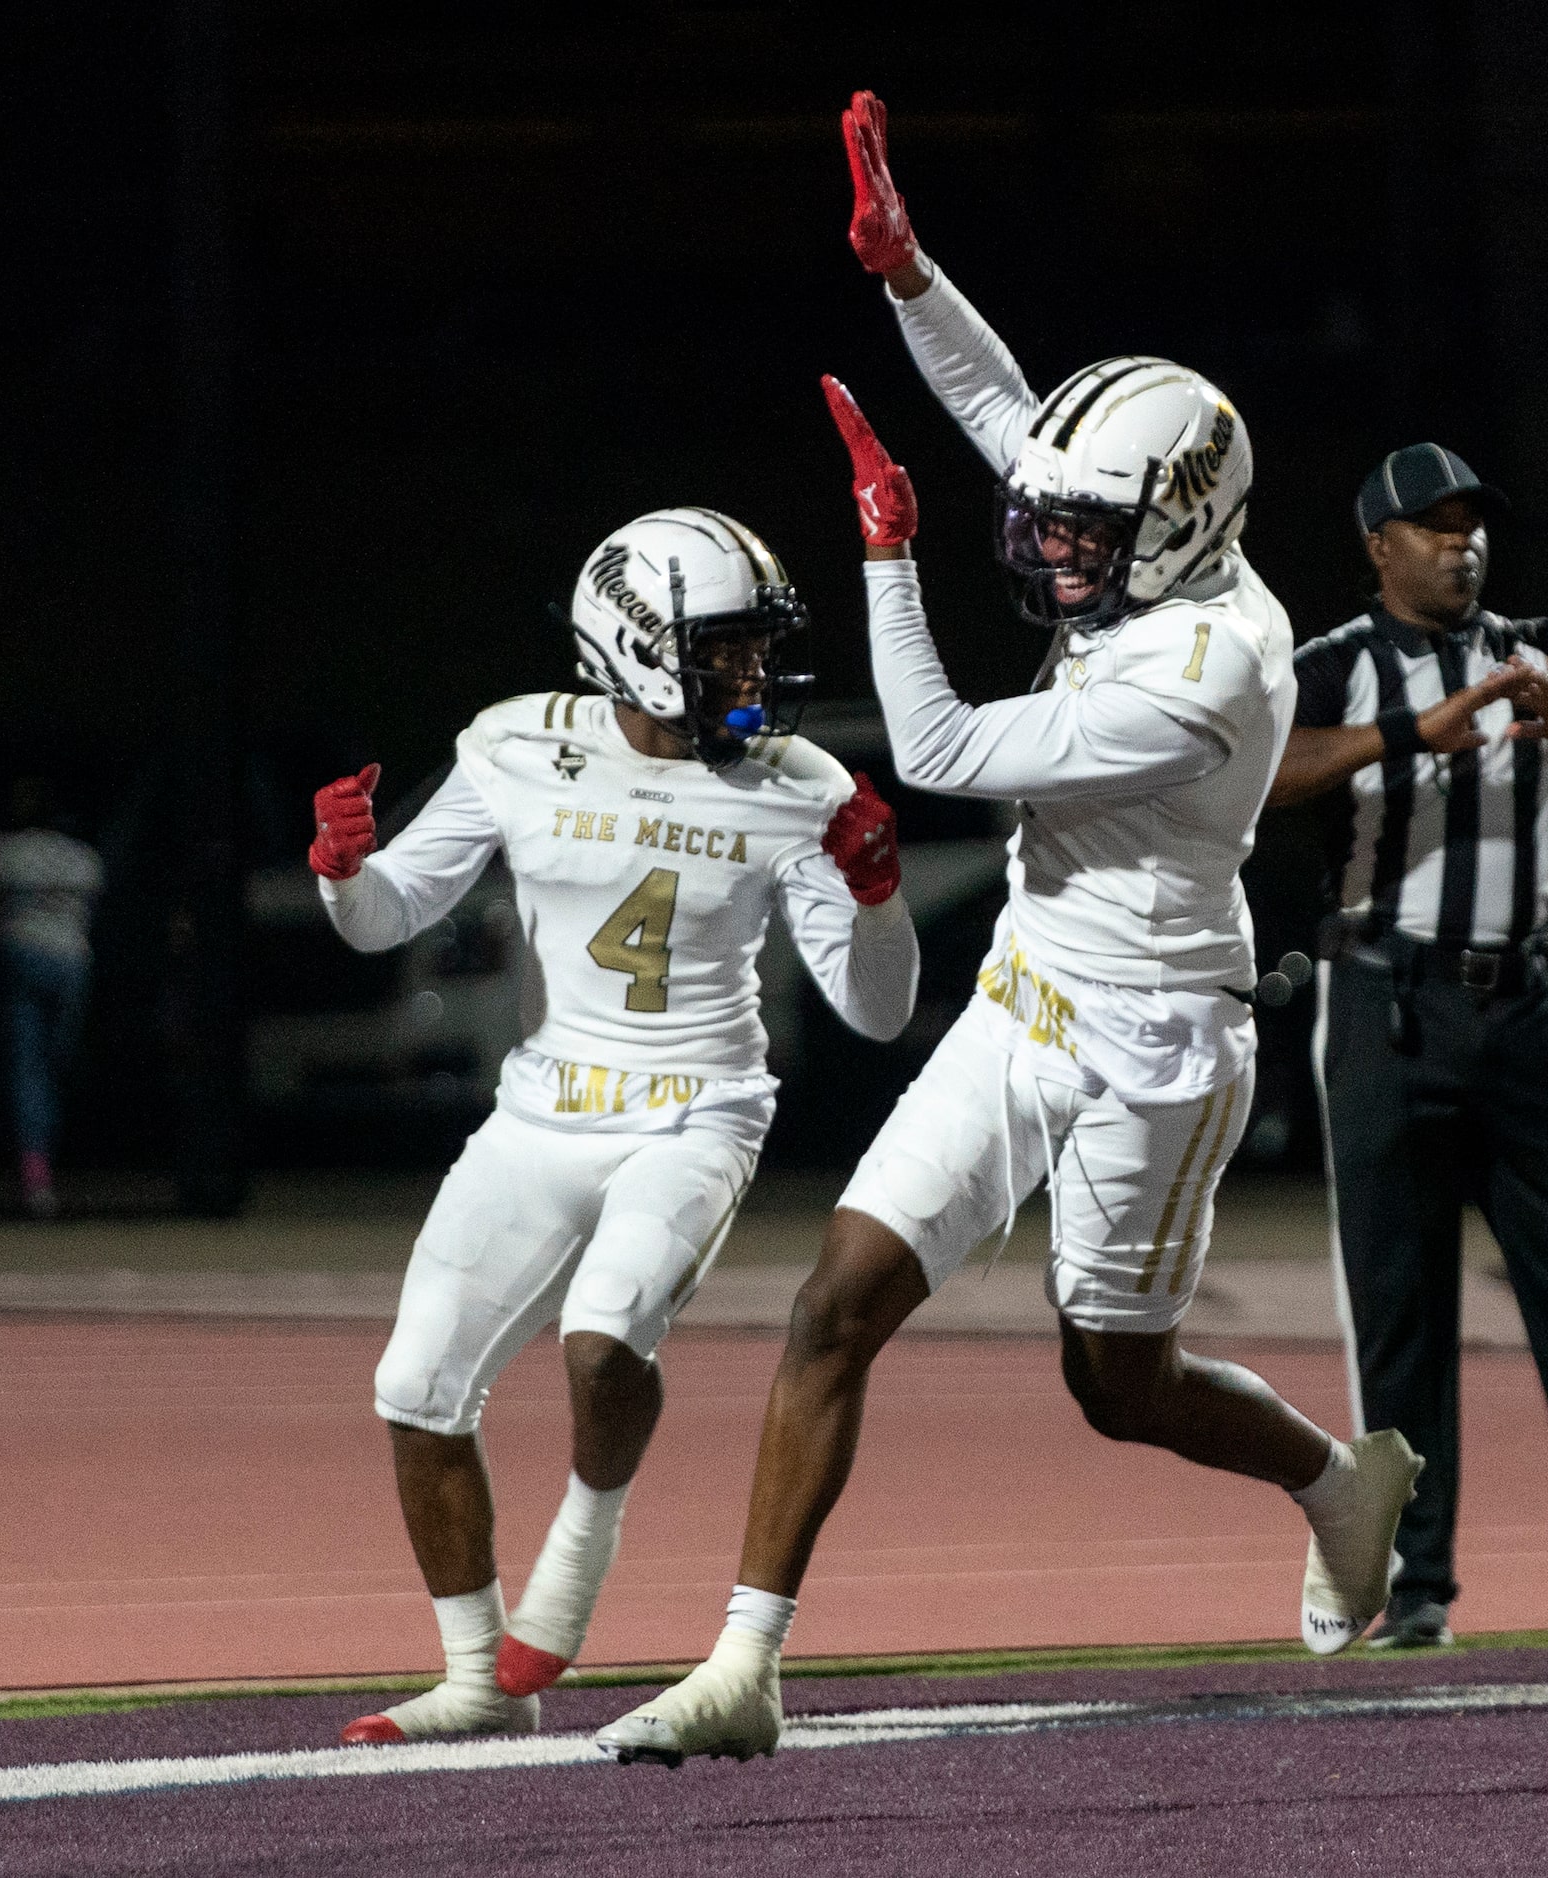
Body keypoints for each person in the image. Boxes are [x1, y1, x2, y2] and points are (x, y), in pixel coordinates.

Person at [592, 92, 1419, 1768]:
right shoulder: (1150, 543)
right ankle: (744, 1662)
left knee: (1117, 1382)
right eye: (1049, 526)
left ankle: (1345, 1478)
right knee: (834, 1299)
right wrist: (903, 271)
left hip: (1160, 1039)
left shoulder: (1208, 675)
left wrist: (887, 559)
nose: (1046, 550)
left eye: (1081, 536)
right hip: (1030, 992)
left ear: (1177, 528)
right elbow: (1007, 416)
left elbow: (956, 752)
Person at [312, 506, 922, 1743]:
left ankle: (581, 1555)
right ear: (637, 644)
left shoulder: (795, 784)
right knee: (414, 1388)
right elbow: (389, 917)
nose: (752, 675)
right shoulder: (515, 743)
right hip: (541, 1110)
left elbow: (875, 1008)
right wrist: (341, 873)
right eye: (729, 649)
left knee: (601, 1339)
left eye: (759, 648)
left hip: (695, 1113)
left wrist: (874, 895)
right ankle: (478, 1683)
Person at [1263, 444, 1548, 1648]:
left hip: (1525, 1008)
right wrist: (1414, 736)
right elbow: (1252, 774)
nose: (1460, 543)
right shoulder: (1329, 668)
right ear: (1376, 546)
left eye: (1472, 523)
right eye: (1430, 525)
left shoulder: (1540, 650)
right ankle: (1414, 1588)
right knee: (1396, 1304)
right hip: (1385, 1004)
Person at [0, 777, 104, 1218]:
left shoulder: (3, 853)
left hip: (24, 957)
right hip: (70, 963)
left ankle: (37, 1173)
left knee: (30, 1070)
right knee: (51, 1067)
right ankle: (41, 1169)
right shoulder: (83, 859)